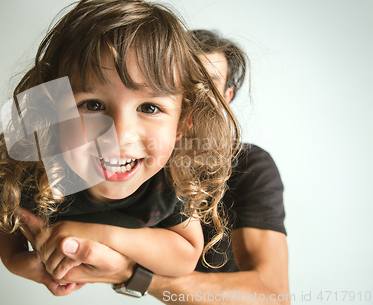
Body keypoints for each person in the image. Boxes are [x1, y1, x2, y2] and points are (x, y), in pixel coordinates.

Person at [0, 0, 240, 296]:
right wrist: (13, 258)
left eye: (150, 108)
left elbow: (184, 257)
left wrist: (94, 235)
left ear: (183, 123)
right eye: (92, 105)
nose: (119, 135)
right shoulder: (39, 172)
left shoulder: (169, 181)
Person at [19, 29, 290, 304]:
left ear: (226, 97)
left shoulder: (249, 165)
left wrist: (127, 272)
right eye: (184, 84)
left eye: (206, 85)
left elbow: (273, 296)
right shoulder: (121, 156)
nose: (193, 98)